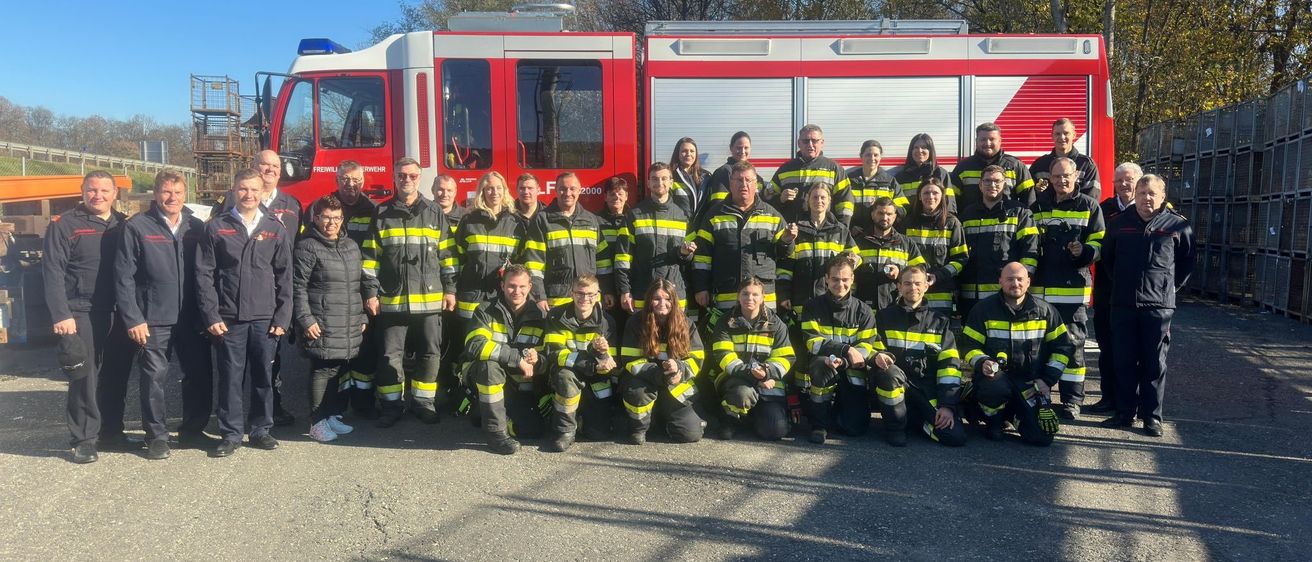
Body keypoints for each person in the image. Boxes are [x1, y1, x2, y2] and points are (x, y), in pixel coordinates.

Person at [113, 170, 213, 460]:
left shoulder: (195, 226)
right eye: (167, 192)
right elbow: (123, 276)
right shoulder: (137, 227)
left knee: (199, 374)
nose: (172, 198)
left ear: (185, 194)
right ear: (156, 194)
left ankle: (193, 430)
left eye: (178, 192)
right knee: (154, 377)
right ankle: (156, 436)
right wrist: (133, 318)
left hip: (191, 316)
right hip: (153, 317)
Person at [196, 169, 293, 457]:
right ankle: (231, 433)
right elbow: (204, 276)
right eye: (242, 189)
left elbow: (285, 276)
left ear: (263, 193)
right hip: (229, 318)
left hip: (265, 318)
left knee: (264, 376)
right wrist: (211, 316)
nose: (248, 195)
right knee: (230, 378)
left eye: (254, 190)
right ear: (233, 191)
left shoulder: (275, 227)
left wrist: (283, 317)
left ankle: (261, 429)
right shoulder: (216, 227)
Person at [361, 157, 457, 427]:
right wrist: (370, 293)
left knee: (430, 353)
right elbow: (370, 258)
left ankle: (423, 403)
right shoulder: (381, 213)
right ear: (394, 177)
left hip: (429, 300)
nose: (407, 180)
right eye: (402, 175)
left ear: (419, 178)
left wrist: (450, 289)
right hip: (393, 299)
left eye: (412, 176)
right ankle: (391, 406)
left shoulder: (434, 212)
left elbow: (448, 255)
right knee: (389, 356)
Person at [43, 171, 132, 463]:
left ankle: (111, 432)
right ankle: (83, 438)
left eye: (105, 190)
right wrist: (61, 313)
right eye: (92, 190)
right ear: (82, 192)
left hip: (119, 310)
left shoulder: (123, 224)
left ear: (115, 193)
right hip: (82, 310)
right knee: (84, 375)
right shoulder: (65, 225)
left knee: (116, 374)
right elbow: (52, 272)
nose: (98, 195)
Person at [1100, 174, 1195, 437]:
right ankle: (1124, 413)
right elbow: (1108, 260)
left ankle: (1152, 417)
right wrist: (1123, 284)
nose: (1146, 198)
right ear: (1136, 195)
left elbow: (1186, 262)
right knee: (1123, 360)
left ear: (1163, 196)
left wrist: (1168, 288)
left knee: (1154, 363)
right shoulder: (1118, 223)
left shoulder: (1177, 225)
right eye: (1142, 193)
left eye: (1152, 193)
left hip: (1158, 306)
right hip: (1123, 303)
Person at [959, 262, 1074, 446]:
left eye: (1020, 279)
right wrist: (982, 362)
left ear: (1028, 282)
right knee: (994, 388)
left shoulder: (1046, 311)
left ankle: (1014, 415)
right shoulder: (983, 310)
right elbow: (968, 345)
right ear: (1000, 281)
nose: (1015, 284)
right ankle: (993, 421)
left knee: (1041, 438)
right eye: (1010, 279)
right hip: (996, 380)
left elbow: (1062, 348)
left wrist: (1047, 380)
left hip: (1030, 383)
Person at [1031, 157, 1106, 419]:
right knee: (1039, 347)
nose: (1061, 180)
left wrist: (1083, 251)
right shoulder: (1037, 206)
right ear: (1049, 179)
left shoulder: (1089, 206)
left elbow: (1099, 243)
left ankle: (1072, 401)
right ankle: (1041, 396)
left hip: (1071, 291)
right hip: (1039, 291)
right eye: (1056, 176)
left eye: (1066, 176)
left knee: (1072, 346)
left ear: (1076, 177)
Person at [293, 195, 372, 442]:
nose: (331, 223)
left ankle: (329, 415)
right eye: (326, 217)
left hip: (346, 320)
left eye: (336, 218)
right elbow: (297, 287)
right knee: (322, 369)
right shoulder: (307, 246)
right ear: (316, 218)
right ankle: (316, 422)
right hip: (320, 320)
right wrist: (306, 319)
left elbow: (357, 285)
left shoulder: (350, 246)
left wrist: (362, 315)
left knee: (336, 369)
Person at [871, 266, 965, 447]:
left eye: (917, 283)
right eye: (907, 283)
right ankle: (895, 428)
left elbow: (950, 367)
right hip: (896, 386)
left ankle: (914, 420)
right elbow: (876, 351)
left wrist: (947, 406)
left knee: (955, 437)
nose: (912, 288)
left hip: (926, 391)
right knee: (888, 373)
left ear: (926, 286)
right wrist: (879, 356)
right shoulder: (883, 317)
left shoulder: (940, 322)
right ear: (899, 286)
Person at [692, 161, 797, 317]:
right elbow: (702, 256)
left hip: (763, 300)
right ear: (730, 184)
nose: (744, 184)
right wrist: (701, 287)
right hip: (727, 297)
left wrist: (786, 241)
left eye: (748, 180)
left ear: (756, 185)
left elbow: (785, 257)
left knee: (763, 333)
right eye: (739, 180)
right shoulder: (714, 215)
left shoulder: (773, 216)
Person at [463, 265, 549, 455]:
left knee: (533, 431)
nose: (517, 291)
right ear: (502, 286)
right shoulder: (485, 310)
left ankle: (485, 412)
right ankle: (496, 434)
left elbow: (547, 358)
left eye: (522, 286)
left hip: (519, 385)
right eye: (511, 286)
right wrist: (516, 359)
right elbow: (475, 345)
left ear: (530, 287)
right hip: (484, 376)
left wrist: (538, 360)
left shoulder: (540, 316)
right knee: (489, 367)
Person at [796, 253, 878, 444]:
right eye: (834, 279)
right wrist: (845, 350)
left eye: (844, 279)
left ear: (852, 279)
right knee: (820, 366)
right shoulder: (812, 307)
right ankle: (819, 425)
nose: (840, 284)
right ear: (826, 279)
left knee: (854, 428)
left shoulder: (864, 311)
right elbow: (812, 342)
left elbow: (866, 346)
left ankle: (839, 410)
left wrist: (845, 360)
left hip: (852, 368)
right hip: (823, 364)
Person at [618, 279, 705, 445]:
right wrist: (659, 374)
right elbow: (630, 360)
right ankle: (639, 428)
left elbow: (697, 358)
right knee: (637, 392)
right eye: (656, 298)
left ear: (674, 301)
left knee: (690, 434)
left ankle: (661, 418)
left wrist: (680, 368)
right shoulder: (635, 323)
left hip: (674, 383)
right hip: (644, 380)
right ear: (649, 300)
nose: (662, 303)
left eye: (667, 299)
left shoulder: (686, 324)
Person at [709, 277, 795, 441]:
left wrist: (767, 372)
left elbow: (785, 357)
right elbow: (724, 355)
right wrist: (755, 376)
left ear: (763, 298)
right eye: (745, 294)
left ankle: (752, 419)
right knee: (742, 393)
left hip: (768, 384)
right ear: (738, 296)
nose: (750, 298)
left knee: (775, 431)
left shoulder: (777, 324)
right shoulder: (725, 322)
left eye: (755, 295)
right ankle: (730, 421)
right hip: (735, 381)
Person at [1087, 162, 1141, 414]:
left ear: (1139, 181)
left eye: (1129, 180)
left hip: (1139, 294)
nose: (1124, 185)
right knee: (1107, 348)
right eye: (1119, 181)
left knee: (1136, 351)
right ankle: (1108, 397)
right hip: (1107, 291)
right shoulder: (1104, 209)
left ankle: (1133, 401)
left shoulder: (1151, 209)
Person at [543, 275, 619, 451]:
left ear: (598, 295)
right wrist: (591, 363)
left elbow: (611, 364)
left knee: (598, 434)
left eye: (590, 294)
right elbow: (554, 354)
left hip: (595, 379)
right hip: (568, 374)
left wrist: (602, 354)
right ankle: (565, 431)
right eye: (580, 293)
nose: (585, 298)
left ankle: (582, 419)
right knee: (565, 376)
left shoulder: (607, 322)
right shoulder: (556, 316)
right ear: (572, 293)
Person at [331, 160, 382, 419]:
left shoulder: (372, 210)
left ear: (363, 181)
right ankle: (335, 406)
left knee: (365, 350)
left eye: (355, 180)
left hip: (362, 290)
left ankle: (363, 404)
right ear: (337, 180)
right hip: (332, 290)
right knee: (336, 351)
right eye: (345, 179)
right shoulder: (324, 206)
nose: (350, 184)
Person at [957, 165, 1039, 319]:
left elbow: (1030, 251)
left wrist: (1021, 284)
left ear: (1005, 184)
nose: (992, 185)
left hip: (1006, 296)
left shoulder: (1020, 213)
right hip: (970, 297)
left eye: (997, 181)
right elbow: (959, 253)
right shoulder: (967, 214)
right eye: (987, 181)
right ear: (980, 185)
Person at [615, 163, 696, 315]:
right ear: (648, 183)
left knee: (675, 331)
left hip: (674, 295)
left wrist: (685, 253)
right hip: (643, 293)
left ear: (671, 182)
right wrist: (624, 290)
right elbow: (622, 257)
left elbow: (690, 258)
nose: (659, 182)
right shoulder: (634, 215)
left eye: (664, 178)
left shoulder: (682, 216)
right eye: (654, 179)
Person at [522, 172, 605, 311]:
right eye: (563, 189)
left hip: (588, 300)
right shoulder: (542, 220)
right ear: (555, 190)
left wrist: (606, 291)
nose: (568, 193)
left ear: (579, 190)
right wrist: (539, 296)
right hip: (556, 301)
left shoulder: (591, 220)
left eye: (572, 189)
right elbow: (534, 264)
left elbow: (603, 262)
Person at [453, 171, 525, 320]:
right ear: (482, 192)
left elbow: (521, 261)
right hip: (471, 296)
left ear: (504, 191)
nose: (495, 192)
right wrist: (452, 290)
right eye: (490, 188)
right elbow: (457, 259)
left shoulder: (516, 223)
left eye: (499, 188)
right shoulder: (469, 221)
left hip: (503, 298)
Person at [778, 184, 859, 316]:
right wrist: (783, 294)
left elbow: (857, 257)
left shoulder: (840, 230)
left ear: (829, 201)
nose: (819, 201)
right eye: (815, 197)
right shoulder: (796, 230)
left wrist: (854, 260)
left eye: (823, 197)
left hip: (832, 302)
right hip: (801, 301)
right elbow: (785, 267)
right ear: (808, 200)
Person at [902, 177, 968, 315]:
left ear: (942, 196)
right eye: (926, 193)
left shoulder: (952, 223)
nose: (930, 196)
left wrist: (938, 276)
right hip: (912, 294)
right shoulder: (907, 223)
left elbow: (960, 260)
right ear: (919, 196)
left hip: (942, 295)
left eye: (935, 193)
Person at [767, 124, 853, 225]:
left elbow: (845, 202)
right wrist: (780, 199)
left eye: (815, 141)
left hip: (824, 231)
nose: (810, 145)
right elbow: (768, 201)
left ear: (822, 143)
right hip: (792, 230)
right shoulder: (785, 169)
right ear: (799, 143)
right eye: (805, 141)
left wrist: (842, 228)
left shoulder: (834, 169)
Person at [854, 197, 925, 312]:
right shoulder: (858, 242)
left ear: (895, 217)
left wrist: (900, 272)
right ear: (872, 215)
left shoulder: (907, 243)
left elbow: (921, 270)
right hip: (863, 308)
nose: (884, 217)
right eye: (880, 213)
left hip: (896, 308)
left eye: (889, 214)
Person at [433, 174, 467, 405]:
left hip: (458, 288)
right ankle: (439, 384)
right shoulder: (425, 214)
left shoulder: (465, 218)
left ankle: (456, 386)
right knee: (436, 341)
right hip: (431, 288)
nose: (444, 194)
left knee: (455, 339)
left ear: (456, 192)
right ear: (433, 190)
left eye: (449, 190)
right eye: (440, 189)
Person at [952, 122, 1036, 213]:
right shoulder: (963, 167)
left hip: (1007, 221)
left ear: (1000, 141)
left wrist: (1025, 218)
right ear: (976, 141)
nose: (987, 143)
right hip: (971, 221)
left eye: (992, 139)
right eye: (983, 139)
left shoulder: (1015, 166)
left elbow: (1029, 199)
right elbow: (952, 201)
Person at [1030, 118, 1102, 201]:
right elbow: (1029, 196)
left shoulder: (1086, 165)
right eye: (1057, 134)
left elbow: (1091, 199)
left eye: (1066, 133)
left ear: (1074, 135)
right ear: (1052, 136)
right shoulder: (1040, 165)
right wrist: (1037, 190)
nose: (1062, 137)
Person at [846, 140, 906, 235]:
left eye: (876, 155)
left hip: (880, 235)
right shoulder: (849, 181)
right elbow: (839, 208)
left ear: (880, 157)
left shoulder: (890, 182)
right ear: (861, 156)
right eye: (868, 155)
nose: (872, 158)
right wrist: (850, 227)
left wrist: (883, 211)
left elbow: (902, 210)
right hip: (854, 235)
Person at [706, 131, 766, 213]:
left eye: (746, 148)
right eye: (739, 148)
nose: (742, 151)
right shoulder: (723, 172)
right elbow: (718, 205)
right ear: (731, 148)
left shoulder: (756, 176)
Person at [891, 133, 954, 209]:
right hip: (910, 217)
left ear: (930, 151)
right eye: (915, 147)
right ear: (911, 151)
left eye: (924, 147)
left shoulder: (941, 174)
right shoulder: (901, 176)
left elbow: (949, 205)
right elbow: (897, 207)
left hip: (936, 217)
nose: (919, 150)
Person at [596, 177, 631, 313]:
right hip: (606, 288)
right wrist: (605, 290)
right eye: (612, 194)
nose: (616, 197)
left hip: (629, 287)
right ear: (605, 197)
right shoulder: (596, 222)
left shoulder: (633, 219)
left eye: (620, 193)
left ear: (626, 196)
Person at [669, 137, 708, 219]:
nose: (688, 154)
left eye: (692, 151)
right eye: (684, 151)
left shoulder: (706, 176)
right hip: (679, 223)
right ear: (677, 154)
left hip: (702, 225)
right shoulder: (670, 176)